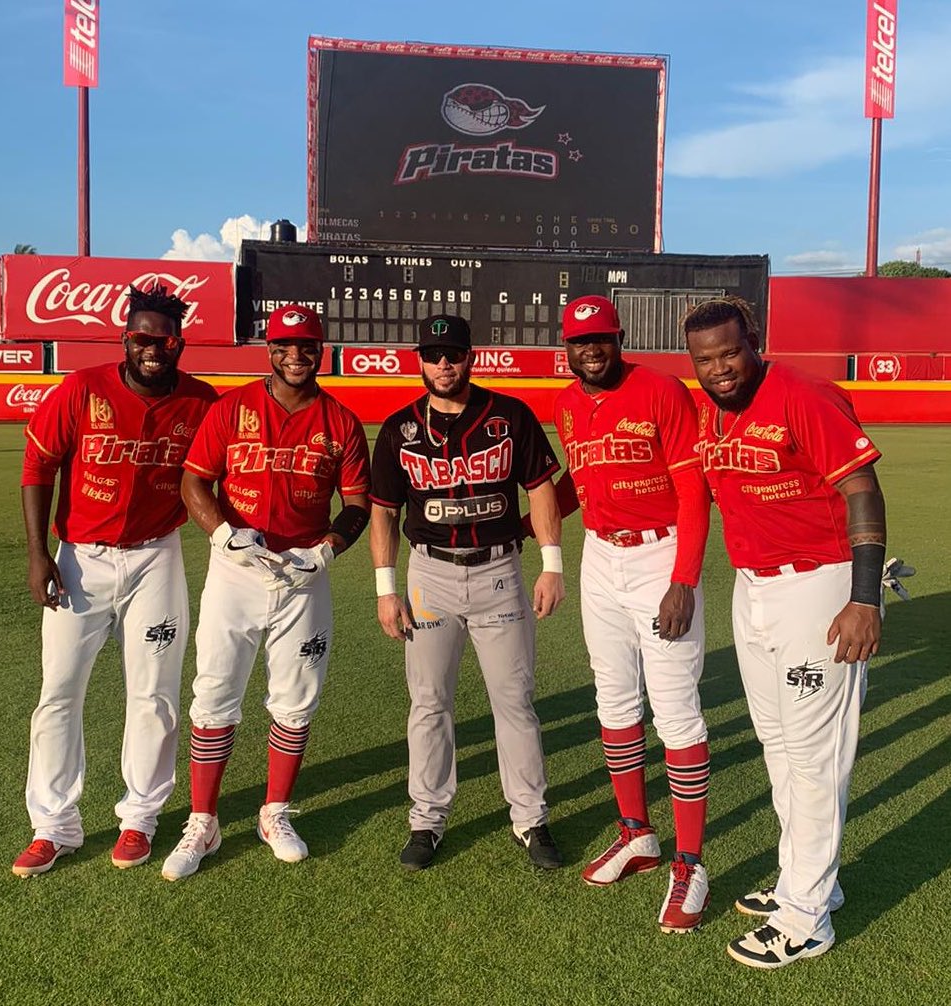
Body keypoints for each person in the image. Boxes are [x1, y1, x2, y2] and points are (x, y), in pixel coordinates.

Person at [683, 295, 886, 969]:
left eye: (729, 353)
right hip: (755, 588)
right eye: (705, 359)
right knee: (776, 742)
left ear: (754, 343)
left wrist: (863, 599)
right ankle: (806, 883)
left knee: (813, 752)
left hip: (818, 587)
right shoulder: (711, 410)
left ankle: (806, 918)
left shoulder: (799, 392)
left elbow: (860, 486)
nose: (719, 369)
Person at [12, 284, 217, 877]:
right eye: (142, 338)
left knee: (154, 692)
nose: (153, 349)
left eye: (165, 340)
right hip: (80, 558)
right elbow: (37, 466)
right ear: (125, 338)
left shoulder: (201, 401)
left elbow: (230, 465)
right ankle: (54, 826)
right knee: (59, 691)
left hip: (157, 557)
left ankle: (140, 818)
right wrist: (37, 553)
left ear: (180, 343)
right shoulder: (82, 388)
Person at [160, 304, 371, 882]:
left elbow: (356, 506)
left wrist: (327, 548)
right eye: (284, 346)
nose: (295, 356)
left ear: (320, 351)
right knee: (213, 695)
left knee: (296, 698)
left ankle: (273, 811)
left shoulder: (342, 422)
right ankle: (203, 820)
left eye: (306, 347)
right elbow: (194, 481)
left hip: (303, 576)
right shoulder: (231, 409)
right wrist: (221, 533)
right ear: (269, 350)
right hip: (238, 572)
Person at [370, 314, 565, 872]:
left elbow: (541, 488)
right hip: (428, 575)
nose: (444, 364)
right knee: (429, 701)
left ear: (470, 356)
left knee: (514, 700)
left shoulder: (509, 416)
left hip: (499, 573)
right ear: (420, 361)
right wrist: (386, 589)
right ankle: (427, 819)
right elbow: (383, 511)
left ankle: (530, 818)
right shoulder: (400, 427)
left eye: (452, 353)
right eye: (433, 355)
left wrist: (552, 565)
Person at [547, 295, 713, 933]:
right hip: (600, 557)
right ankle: (638, 835)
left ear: (619, 338)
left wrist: (684, 581)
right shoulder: (565, 403)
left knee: (675, 711)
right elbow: (576, 482)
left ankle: (690, 862)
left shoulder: (660, 390)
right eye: (581, 341)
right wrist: (522, 516)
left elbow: (694, 490)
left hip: (659, 553)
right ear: (567, 347)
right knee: (614, 703)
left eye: (602, 339)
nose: (592, 350)